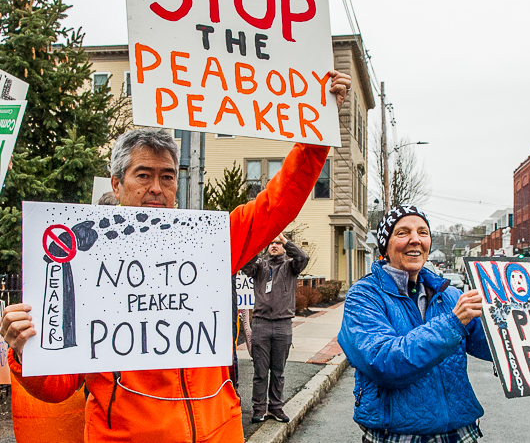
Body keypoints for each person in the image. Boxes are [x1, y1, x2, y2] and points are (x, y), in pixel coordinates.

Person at [1, 70, 351, 443]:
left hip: (220, 433)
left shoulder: (211, 242)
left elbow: (278, 204)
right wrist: (24, 352)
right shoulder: (80, 261)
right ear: (117, 184)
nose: (157, 188)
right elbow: (58, 387)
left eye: (167, 177)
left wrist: (317, 127)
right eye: (144, 175)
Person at [338, 205, 492, 443]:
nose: (415, 240)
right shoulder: (364, 296)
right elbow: (383, 362)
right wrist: (453, 323)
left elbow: (494, 346)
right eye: (402, 233)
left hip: (459, 433)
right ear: (385, 247)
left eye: (423, 232)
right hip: (397, 436)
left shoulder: (449, 295)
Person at [241, 232, 308, 424]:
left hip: (282, 325)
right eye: (271, 242)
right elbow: (245, 265)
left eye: (278, 243)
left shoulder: (290, 267)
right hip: (261, 324)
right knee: (260, 371)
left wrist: (286, 241)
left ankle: (276, 408)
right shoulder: (260, 266)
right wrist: (260, 241)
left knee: (278, 371)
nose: (274, 245)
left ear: (283, 247)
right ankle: (259, 408)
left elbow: (303, 258)